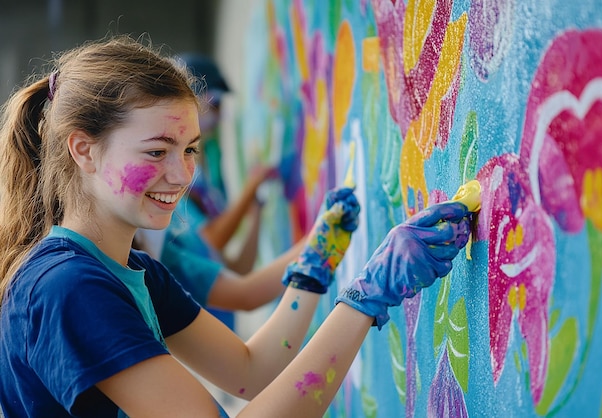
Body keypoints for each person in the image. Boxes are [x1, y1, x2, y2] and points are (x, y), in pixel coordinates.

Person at [0, 35, 474, 417]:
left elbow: (252, 371)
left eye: (189, 149)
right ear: (82, 149)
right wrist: (368, 298)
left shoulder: (133, 270)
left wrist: (319, 259)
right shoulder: (68, 287)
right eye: (156, 151)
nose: (182, 174)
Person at [134, 53, 287, 330]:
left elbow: (236, 270)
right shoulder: (167, 191)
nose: (218, 115)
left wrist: (254, 213)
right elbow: (213, 242)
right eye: (214, 104)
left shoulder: (208, 171)